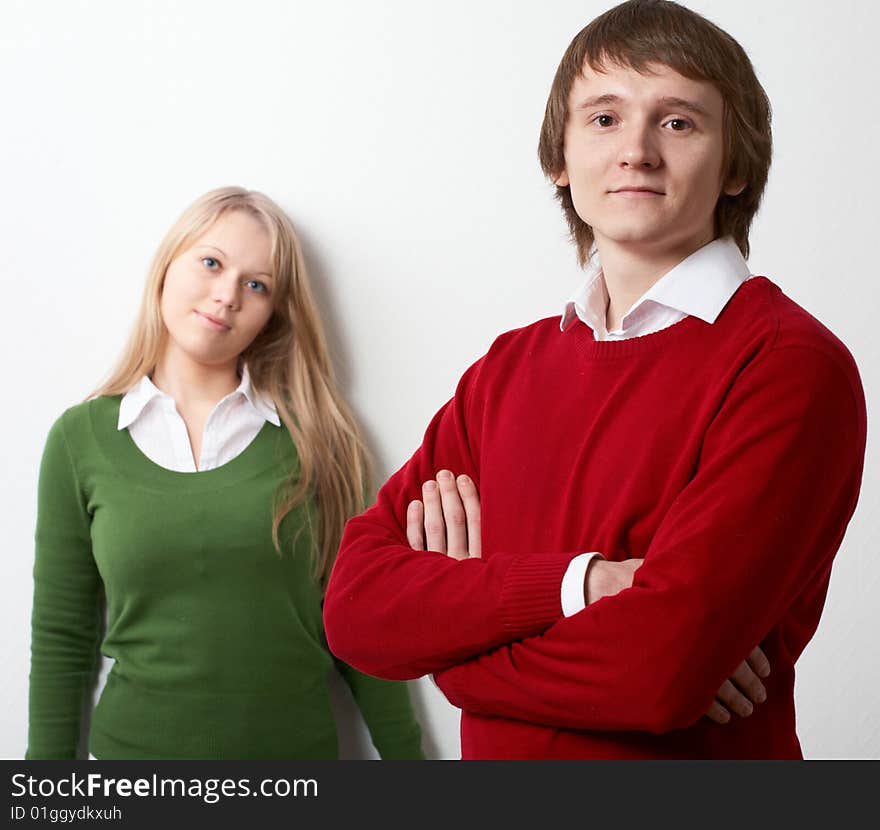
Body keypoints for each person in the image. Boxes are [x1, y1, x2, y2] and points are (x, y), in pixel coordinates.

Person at [323, 0, 867, 759]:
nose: (636, 152)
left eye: (678, 122)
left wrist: (447, 654)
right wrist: (582, 586)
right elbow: (355, 612)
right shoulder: (505, 371)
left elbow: (656, 673)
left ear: (736, 166)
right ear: (560, 155)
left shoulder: (787, 366)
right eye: (604, 118)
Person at [26, 186, 424, 760]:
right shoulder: (79, 440)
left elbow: (362, 627)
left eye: (255, 284)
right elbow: (61, 642)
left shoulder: (321, 441)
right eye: (211, 262)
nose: (226, 295)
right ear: (168, 264)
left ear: (272, 314)